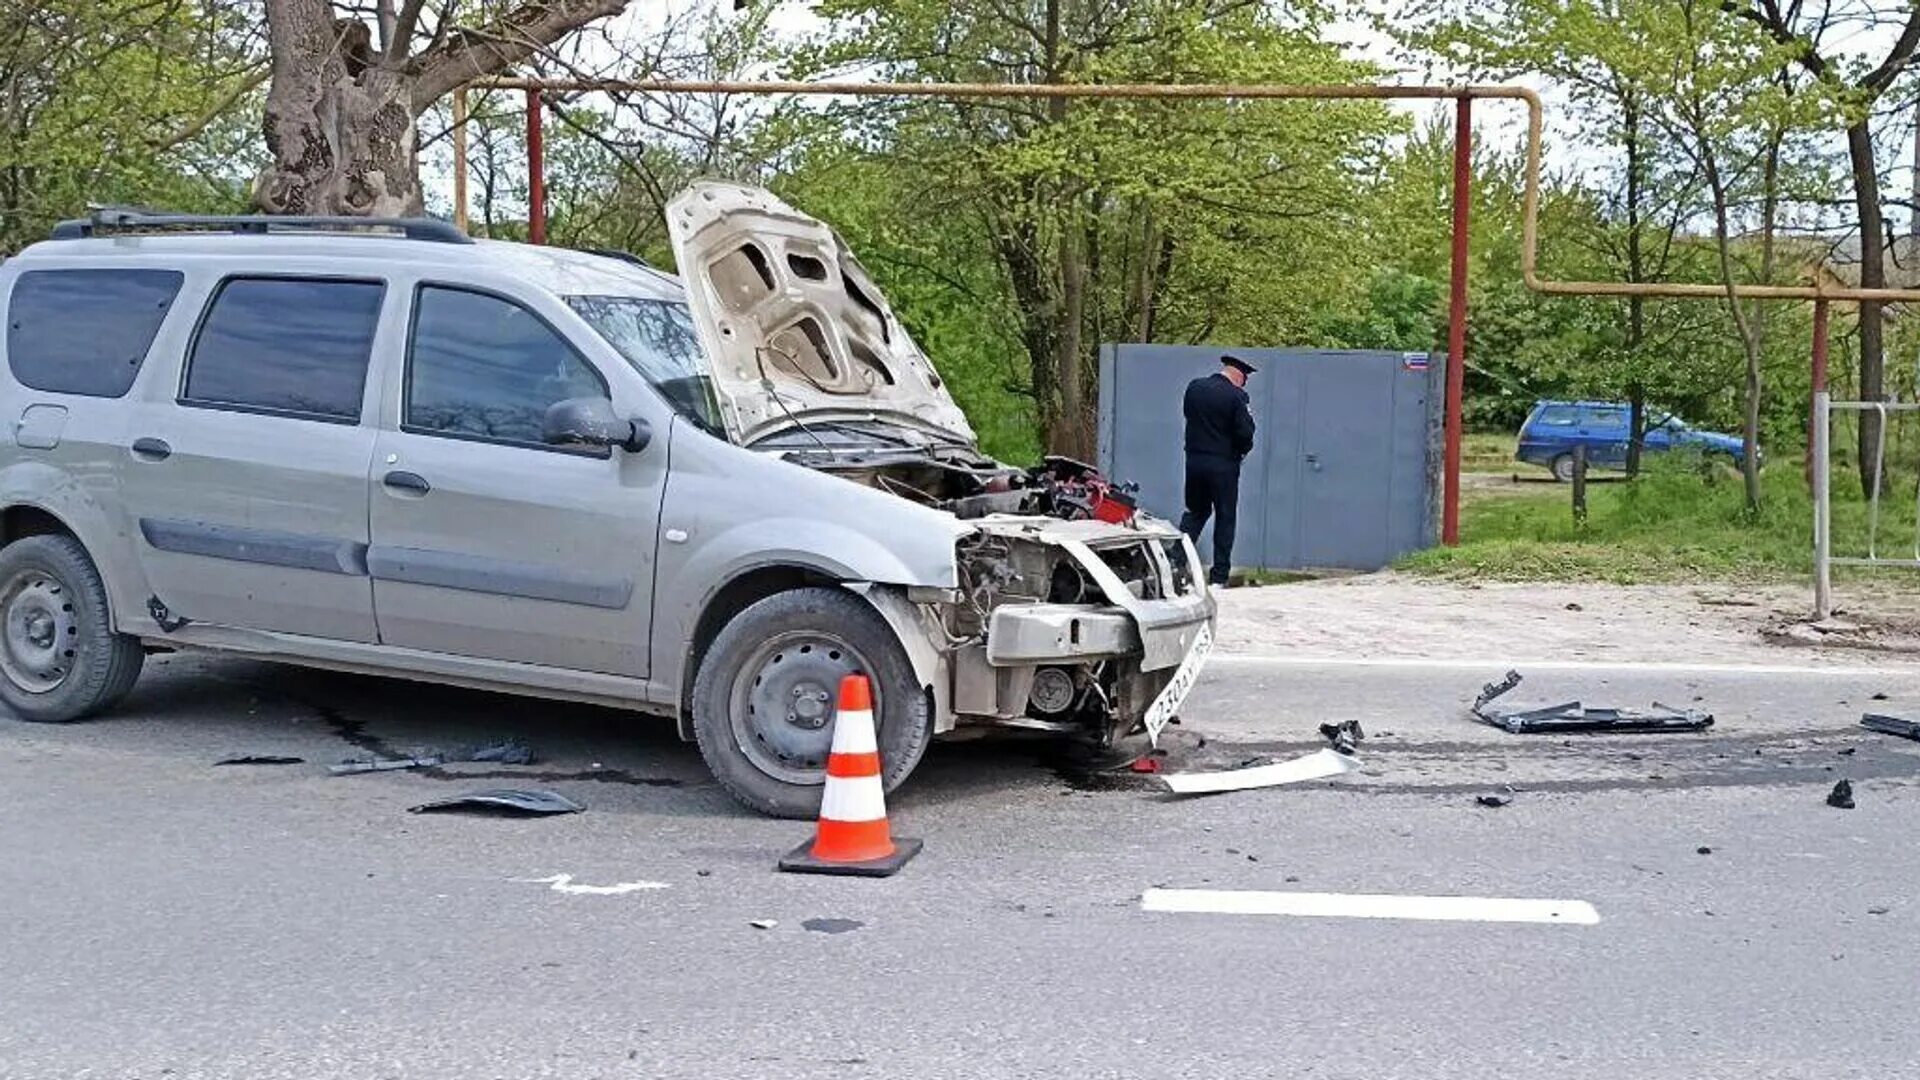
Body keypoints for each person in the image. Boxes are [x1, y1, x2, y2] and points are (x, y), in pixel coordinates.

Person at [1180, 354, 1257, 586]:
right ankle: (1219, 576)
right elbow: (1245, 433)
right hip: (1223, 466)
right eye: (1244, 380)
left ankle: (1175, 561)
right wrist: (1243, 450)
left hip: (1194, 461)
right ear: (1239, 376)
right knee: (1225, 518)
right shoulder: (1236, 397)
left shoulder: (1194, 388)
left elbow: (1188, 416)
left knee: (1195, 512)